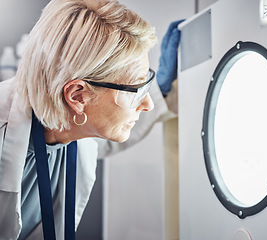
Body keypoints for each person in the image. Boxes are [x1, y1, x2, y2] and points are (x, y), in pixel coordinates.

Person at [0, 0, 182, 239]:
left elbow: (101, 140)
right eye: (135, 91)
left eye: (146, 82)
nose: (147, 105)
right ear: (77, 96)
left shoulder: (68, 131)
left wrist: (160, 88)